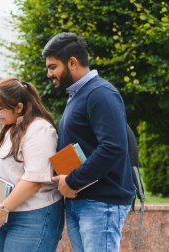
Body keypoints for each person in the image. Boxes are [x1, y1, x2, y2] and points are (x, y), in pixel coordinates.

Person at [42, 32, 135, 252]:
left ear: (72, 62)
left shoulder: (100, 93)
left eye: (53, 66)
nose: (49, 73)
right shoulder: (79, 95)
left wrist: (73, 181)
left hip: (101, 203)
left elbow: (113, 147)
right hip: (82, 201)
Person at [0, 78, 64, 252]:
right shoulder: (9, 129)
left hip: (32, 217)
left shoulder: (39, 129)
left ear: (18, 107)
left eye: (0, 108)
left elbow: (34, 180)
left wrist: (2, 208)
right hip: (5, 215)